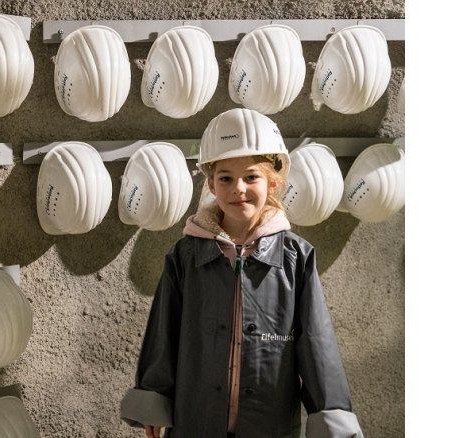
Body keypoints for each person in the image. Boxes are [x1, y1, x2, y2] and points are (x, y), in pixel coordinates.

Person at [120, 108, 364, 438]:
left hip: (268, 423)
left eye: (251, 177)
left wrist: (329, 411)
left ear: (273, 182)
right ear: (210, 183)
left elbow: (317, 342)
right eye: (226, 178)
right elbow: (165, 331)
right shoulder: (185, 256)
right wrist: (154, 395)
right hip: (197, 420)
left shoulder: (296, 259)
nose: (238, 188)